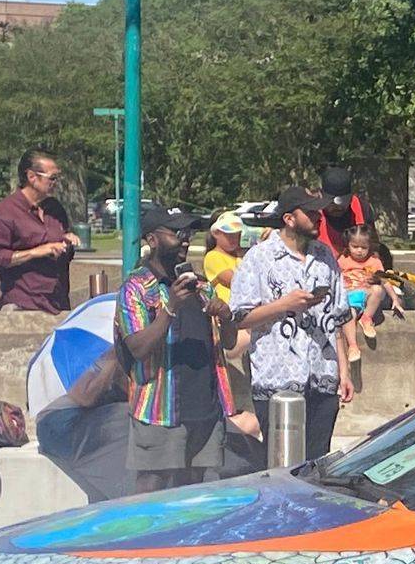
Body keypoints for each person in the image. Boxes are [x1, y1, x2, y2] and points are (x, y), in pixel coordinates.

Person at [118, 205, 237, 492]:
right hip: (160, 410)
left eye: (188, 233)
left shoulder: (201, 286)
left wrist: (227, 316)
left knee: (192, 492)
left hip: (205, 409)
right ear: (152, 240)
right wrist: (170, 308)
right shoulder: (137, 288)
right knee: (152, 488)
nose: (185, 240)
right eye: (176, 233)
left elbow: (229, 343)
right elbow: (137, 348)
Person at [232, 185, 358, 454]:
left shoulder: (325, 256)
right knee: (281, 460)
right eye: (310, 213)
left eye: (318, 212)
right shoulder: (259, 258)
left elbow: (336, 318)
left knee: (317, 459)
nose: (318, 218)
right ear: (289, 219)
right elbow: (240, 318)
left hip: (323, 378)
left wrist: (344, 372)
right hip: (277, 381)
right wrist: (283, 305)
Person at [0, 148, 83, 314]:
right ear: (31, 177)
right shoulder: (5, 212)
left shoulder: (55, 209)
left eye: (57, 178)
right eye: (52, 178)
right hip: (23, 301)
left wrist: (66, 242)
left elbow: (63, 255)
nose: (56, 183)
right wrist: (35, 252)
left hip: (57, 301)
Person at [337, 223, 401, 345]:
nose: (359, 251)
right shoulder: (343, 260)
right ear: (348, 245)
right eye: (355, 246)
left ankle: (366, 317)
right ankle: (352, 345)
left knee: (377, 289)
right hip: (350, 296)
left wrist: (395, 299)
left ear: (370, 246)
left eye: (363, 247)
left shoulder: (374, 262)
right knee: (350, 316)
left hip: (367, 296)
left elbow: (385, 281)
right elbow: (335, 278)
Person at [203, 210, 247, 306]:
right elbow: (236, 281)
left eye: (237, 234)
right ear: (216, 233)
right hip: (228, 309)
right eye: (229, 235)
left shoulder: (240, 256)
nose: (234, 238)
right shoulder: (213, 256)